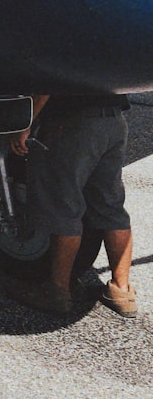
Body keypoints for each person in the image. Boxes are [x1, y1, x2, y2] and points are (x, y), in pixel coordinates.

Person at [8, 94, 137, 317]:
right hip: (114, 121)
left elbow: (48, 83)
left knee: (64, 207)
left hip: (74, 123)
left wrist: (24, 124)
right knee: (111, 205)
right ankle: (121, 290)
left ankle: (57, 291)